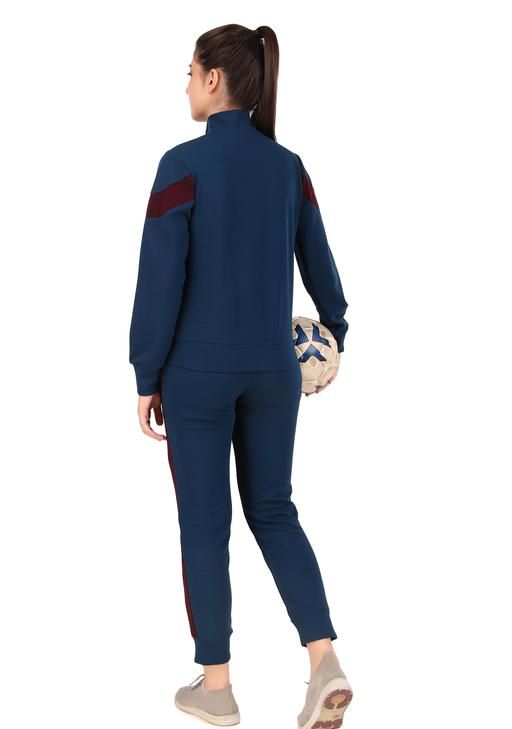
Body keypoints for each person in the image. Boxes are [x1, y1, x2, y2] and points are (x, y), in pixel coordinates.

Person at [128, 23, 353, 728]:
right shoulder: (289, 168)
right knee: (274, 510)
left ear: (214, 79)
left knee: (205, 523)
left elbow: (160, 280)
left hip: (196, 375)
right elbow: (322, 268)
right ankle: (325, 660)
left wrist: (146, 372)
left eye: (190, 73)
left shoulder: (180, 165)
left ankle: (217, 687)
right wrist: (332, 338)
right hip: (275, 373)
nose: (185, 86)